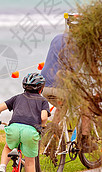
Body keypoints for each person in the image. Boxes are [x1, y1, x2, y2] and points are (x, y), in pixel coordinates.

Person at [40, 13, 94, 151]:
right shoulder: (82, 43)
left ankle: (51, 135)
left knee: (62, 104)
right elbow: (90, 67)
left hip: (44, 85)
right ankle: (85, 140)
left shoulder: (57, 38)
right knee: (87, 104)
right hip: (61, 85)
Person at [0, 72, 51, 172]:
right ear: (41, 89)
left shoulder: (17, 98)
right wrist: (42, 125)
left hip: (14, 127)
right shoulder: (43, 101)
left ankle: (2, 167)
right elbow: (44, 117)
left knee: (8, 147)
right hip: (30, 132)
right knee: (30, 162)